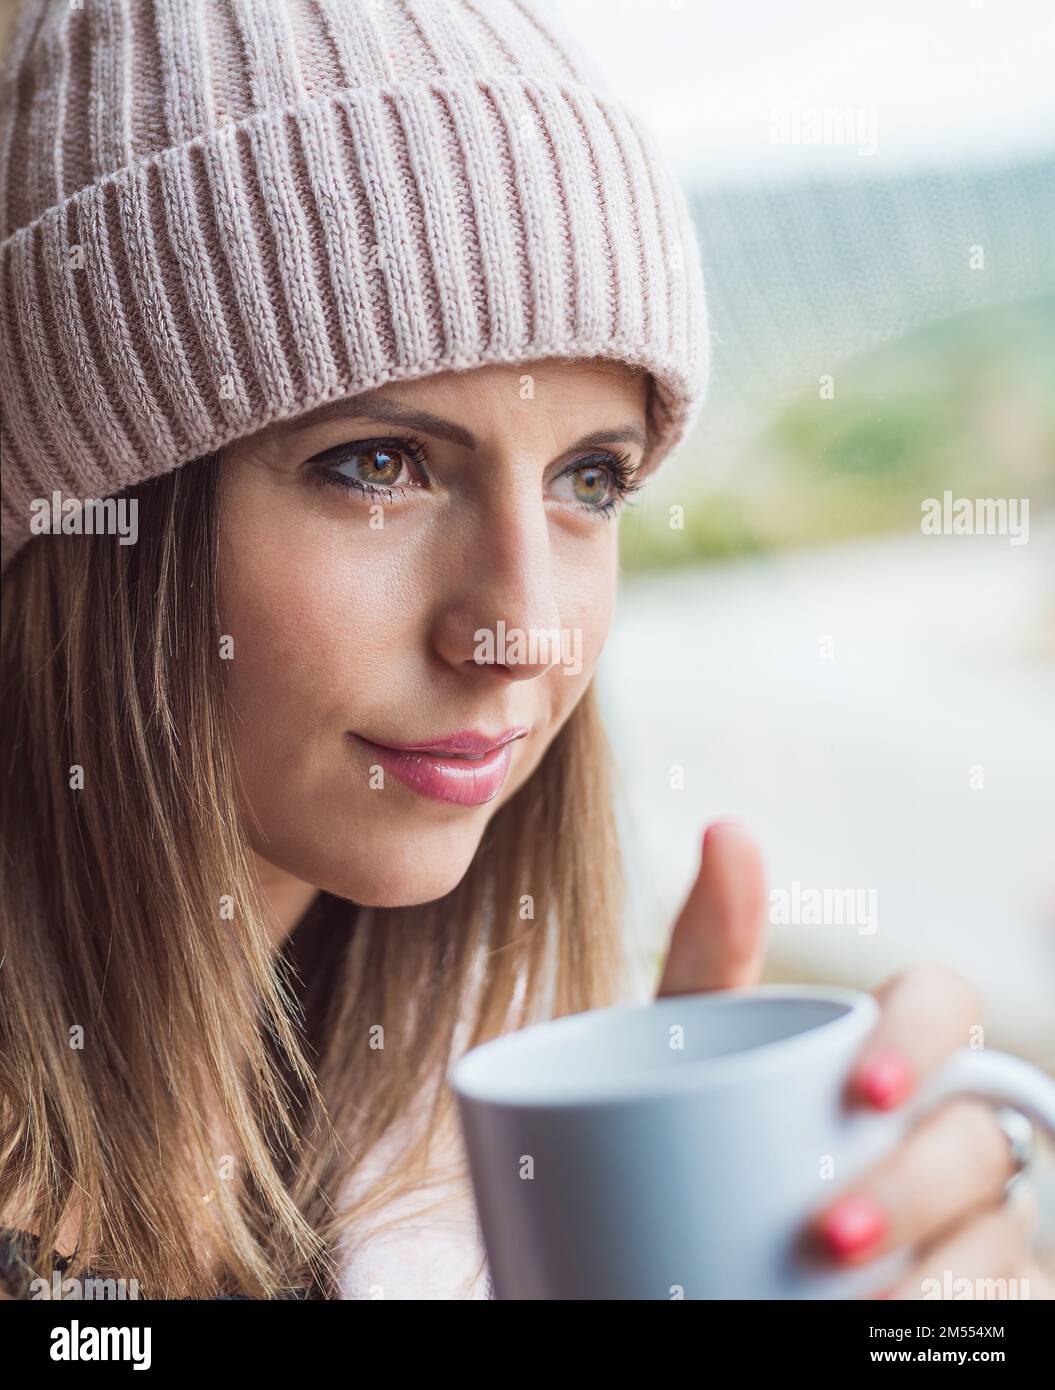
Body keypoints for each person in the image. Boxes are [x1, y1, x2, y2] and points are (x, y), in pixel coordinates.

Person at [0, 0, 1046, 1300]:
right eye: (375, 464)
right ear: (93, 524)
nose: (524, 627)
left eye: (591, 479)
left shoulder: (461, 1170)